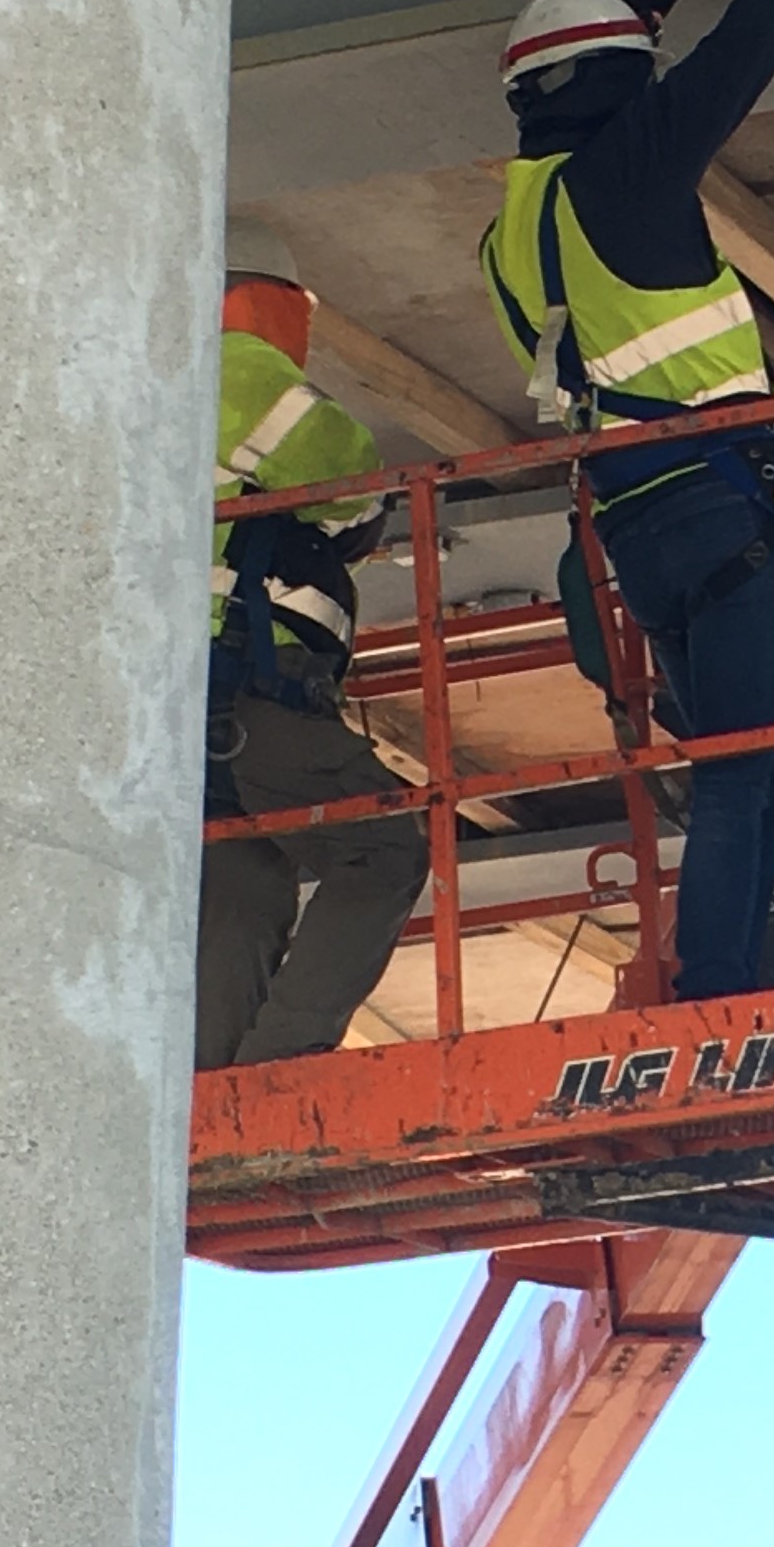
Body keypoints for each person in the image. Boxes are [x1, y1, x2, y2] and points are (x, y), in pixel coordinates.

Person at [481, 0, 774, 998]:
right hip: (724, 513)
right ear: (609, 83)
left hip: (638, 531)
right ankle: (718, 987)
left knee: (760, 779)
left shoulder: (512, 232)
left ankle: (730, 967)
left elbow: (606, 113)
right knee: (746, 773)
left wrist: (637, 20)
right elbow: (726, 73)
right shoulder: (627, 177)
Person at [198, 215, 429, 1067]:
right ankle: (282, 1069)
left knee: (243, 885)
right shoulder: (234, 364)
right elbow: (350, 482)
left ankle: (209, 1106)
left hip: (179, 716)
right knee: (382, 846)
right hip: (245, 697)